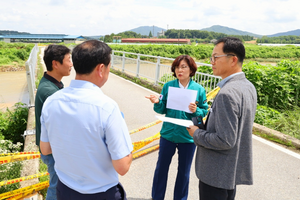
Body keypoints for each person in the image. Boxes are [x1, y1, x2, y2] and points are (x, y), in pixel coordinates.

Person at [40, 40, 133, 200]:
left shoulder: (52, 101)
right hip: (101, 194)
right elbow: (122, 166)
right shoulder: (107, 108)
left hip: (65, 190)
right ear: (101, 68)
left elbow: (45, 149)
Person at [187, 37, 257, 200]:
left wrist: (196, 133)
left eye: (215, 57)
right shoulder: (248, 86)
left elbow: (225, 140)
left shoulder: (227, 93)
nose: (212, 62)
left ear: (233, 59)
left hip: (215, 174)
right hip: (230, 173)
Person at [146, 55, 208, 200]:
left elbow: (204, 111)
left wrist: (196, 110)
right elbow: (161, 109)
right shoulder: (168, 86)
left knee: (184, 173)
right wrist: (156, 102)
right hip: (168, 135)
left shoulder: (199, 89)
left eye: (184, 66)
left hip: (188, 137)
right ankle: (157, 197)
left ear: (191, 69)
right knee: (161, 169)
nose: (180, 70)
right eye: (177, 67)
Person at [35, 44, 72, 200]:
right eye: (69, 60)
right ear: (56, 64)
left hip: (50, 147)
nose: (71, 64)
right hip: (52, 149)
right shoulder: (50, 91)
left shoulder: (52, 84)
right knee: (56, 187)